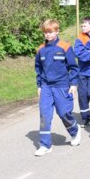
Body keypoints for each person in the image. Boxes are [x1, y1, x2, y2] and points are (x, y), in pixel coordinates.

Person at [34, 19, 81, 156]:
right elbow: (38, 69)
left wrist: (73, 84)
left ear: (57, 31)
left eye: (50, 32)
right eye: (45, 32)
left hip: (62, 85)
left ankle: (74, 131)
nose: (47, 35)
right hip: (46, 86)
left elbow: (73, 67)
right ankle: (45, 145)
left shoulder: (65, 47)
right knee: (44, 115)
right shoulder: (41, 50)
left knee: (64, 113)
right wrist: (39, 85)